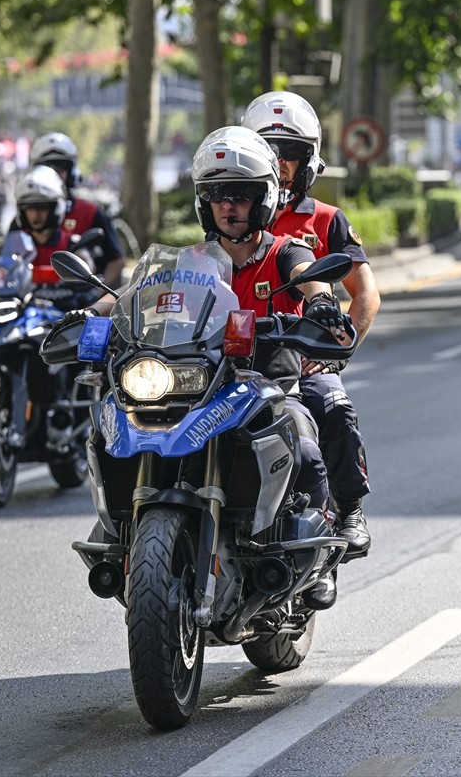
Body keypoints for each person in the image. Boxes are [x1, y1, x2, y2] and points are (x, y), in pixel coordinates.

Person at [73, 126, 346, 609]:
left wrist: (321, 303)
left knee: (303, 440)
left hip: (268, 384)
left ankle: (319, 557)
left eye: (240, 195)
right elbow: (131, 298)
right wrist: (87, 314)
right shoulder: (188, 260)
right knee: (116, 419)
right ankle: (120, 533)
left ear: (263, 199)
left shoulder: (285, 251)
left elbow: (309, 279)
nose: (228, 206)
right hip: (198, 382)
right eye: (218, 195)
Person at [241, 90, 377, 559]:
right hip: (226, 358)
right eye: (268, 152)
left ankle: (348, 509)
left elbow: (365, 293)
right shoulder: (230, 212)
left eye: (290, 156)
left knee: (333, 406)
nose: (279, 165)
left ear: (308, 162)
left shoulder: (326, 220)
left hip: (294, 359)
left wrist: (334, 354)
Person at [26, 132, 125, 287]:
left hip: (76, 304)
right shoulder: (24, 215)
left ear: (71, 173)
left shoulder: (90, 212)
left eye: (60, 169)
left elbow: (117, 260)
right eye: (46, 169)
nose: (53, 175)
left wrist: (95, 296)